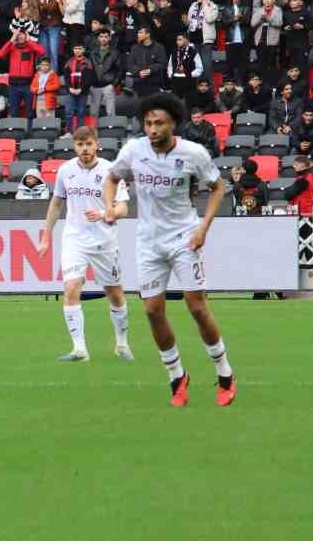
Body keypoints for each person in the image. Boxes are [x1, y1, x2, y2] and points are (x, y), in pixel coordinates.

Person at [102, 93, 236, 408]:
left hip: (184, 237)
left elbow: (218, 186)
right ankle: (177, 376)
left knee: (196, 307)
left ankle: (224, 372)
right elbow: (111, 178)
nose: (152, 129)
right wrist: (109, 205)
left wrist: (203, 228)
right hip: (148, 241)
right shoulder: (133, 150)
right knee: (152, 310)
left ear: (173, 123)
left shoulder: (193, 153)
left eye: (159, 123)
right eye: (148, 123)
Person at [37, 127, 133, 363]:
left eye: (88, 144)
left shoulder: (111, 171)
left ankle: (121, 343)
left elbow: (123, 208)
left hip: (104, 241)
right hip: (75, 239)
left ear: (96, 144)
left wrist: (103, 213)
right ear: (74, 146)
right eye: (80, 145)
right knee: (71, 287)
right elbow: (56, 204)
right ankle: (79, 350)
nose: (85, 149)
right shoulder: (65, 170)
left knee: (115, 294)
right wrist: (46, 236)